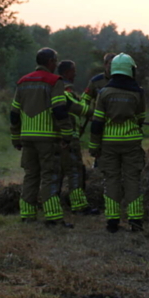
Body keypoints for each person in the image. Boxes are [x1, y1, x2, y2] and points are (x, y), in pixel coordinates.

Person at [10, 47, 74, 227]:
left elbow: (14, 113)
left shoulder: (23, 81)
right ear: (51, 62)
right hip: (47, 138)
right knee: (49, 175)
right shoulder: (54, 81)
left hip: (27, 137)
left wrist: (15, 137)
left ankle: (27, 214)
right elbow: (59, 109)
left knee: (30, 175)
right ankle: (53, 216)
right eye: (56, 61)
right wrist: (67, 134)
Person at [89, 53, 146, 233]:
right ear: (131, 69)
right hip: (131, 143)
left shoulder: (104, 92)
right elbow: (141, 118)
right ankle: (135, 220)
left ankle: (112, 221)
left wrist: (94, 146)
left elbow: (97, 122)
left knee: (111, 179)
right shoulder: (138, 92)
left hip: (109, 143)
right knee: (132, 180)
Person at [55, 60, 97, 215]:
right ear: (66, 72)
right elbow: (76, 107)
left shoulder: (61, 89)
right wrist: (96, 113)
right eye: (74, 70)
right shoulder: (64, 90)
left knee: (58, 171)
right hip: (68, 138)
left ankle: (53, 202)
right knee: (75, 170)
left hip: (59, 137)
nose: (76, 73)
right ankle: (78, 205)